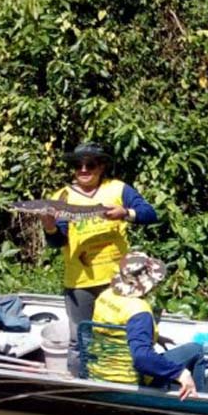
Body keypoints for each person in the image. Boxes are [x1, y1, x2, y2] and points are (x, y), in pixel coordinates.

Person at [41, 141, 157, 362]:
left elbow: (149, 213)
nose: (83, 170)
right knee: (80, 339)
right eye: (78, 164)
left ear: (101, 166)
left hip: (120, 279)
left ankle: (119, 377)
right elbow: (58, 242)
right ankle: (80, 384)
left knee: (121, 334)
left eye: (90, 164)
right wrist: (49, 227)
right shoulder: (60, 198)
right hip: (80, 282)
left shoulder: (118, 189)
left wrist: (126, 212)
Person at [87, 250, 208, 399]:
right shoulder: (138, 310)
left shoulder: (105, 296)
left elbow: (114, 329)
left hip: (99, 373)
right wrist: (181, 373)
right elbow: (142, 359)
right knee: (196, 350)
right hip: (129, 379)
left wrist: (156, 337)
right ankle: (198, 403)